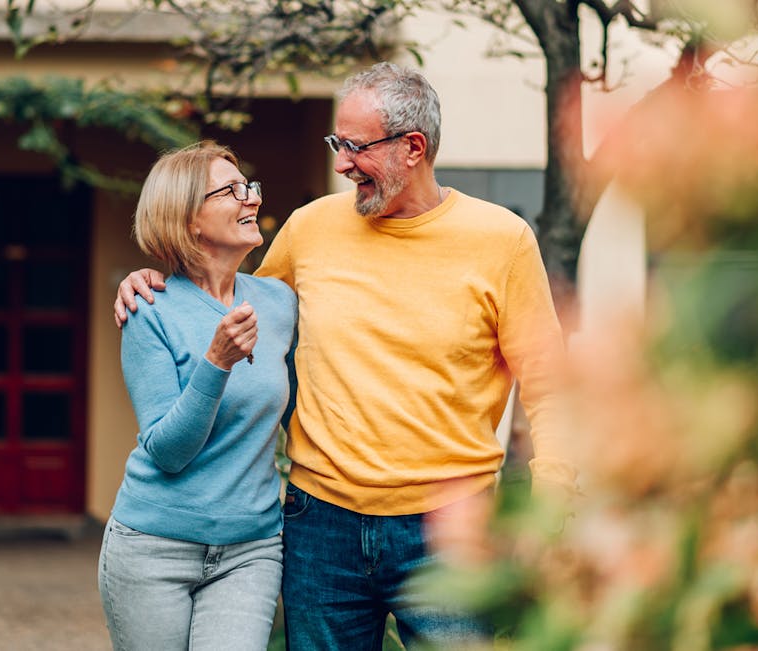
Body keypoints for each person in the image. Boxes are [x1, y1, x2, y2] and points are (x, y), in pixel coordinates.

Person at [112, 63, 576, 649]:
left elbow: (551, 385)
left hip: (450, 529)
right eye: (337, 143)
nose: (340, 164)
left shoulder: (502, 240)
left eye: (356, 147)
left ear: (413, 148)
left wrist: (550, 505)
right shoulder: (309, 230)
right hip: (320, 525)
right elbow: (228, 300)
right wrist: (157, 277)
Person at [98, 141, 298, 651]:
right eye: (232, 191)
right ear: (188, 219)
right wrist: (217, 363)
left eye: (249, 186)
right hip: (152, 546)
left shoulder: (279, 304)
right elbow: (166, 451)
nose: (251, 198)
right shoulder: (149, 311)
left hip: (250, 548)